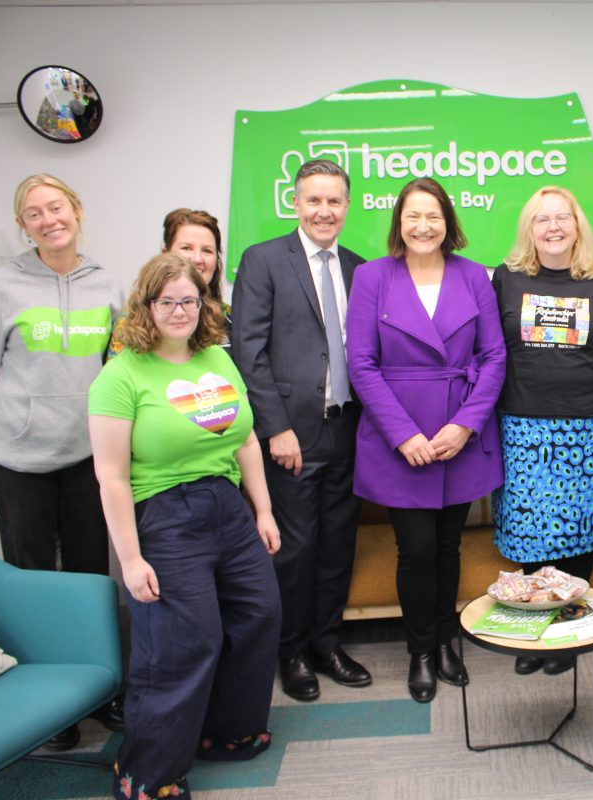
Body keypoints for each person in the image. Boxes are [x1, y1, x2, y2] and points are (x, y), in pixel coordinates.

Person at [89, 254, 280, 800]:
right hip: (164, 514)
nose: (180, 311)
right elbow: (112, 479)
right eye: (168, 301)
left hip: (226, 505)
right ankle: (146, 772)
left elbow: (244, 438)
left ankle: (224, 732)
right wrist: (130, 559)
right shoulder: (120, 375)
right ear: (146, 306)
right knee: (183, 643)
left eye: (190, 301)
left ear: (205, 304)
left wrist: (263, 510)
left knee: (258, 614)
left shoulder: (217, 359)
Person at [0, 173, 122, 749]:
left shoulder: (106, 284)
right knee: (29, 582)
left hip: (86, 456)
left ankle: (99, 691)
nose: (49, 219)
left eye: (56, 207)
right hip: (17, 461)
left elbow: (116, 366)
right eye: (34, 213)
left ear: (76, 210)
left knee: (87, 577)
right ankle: (51, 709)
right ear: (23, 225)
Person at [346, 177, 505, 703]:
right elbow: (361, 364)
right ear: (399, 222)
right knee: (414, 550)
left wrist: (465, 425)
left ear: (447, 222)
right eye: (413, 216)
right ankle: (419, 649)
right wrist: (403, 434)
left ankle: (445, 640)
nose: (423, 226)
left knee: (447, 545)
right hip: (403, 439)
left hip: (459, 432)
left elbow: (493, 358)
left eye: (432, 216)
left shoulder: (475, 275)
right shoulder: (372, 277)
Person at [231, 159, 370, 702]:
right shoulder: (264, 260)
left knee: (337, 545)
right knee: (294, 549)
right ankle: (290, 652)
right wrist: (276, 429)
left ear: (347, 205)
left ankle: (327, 645)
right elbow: (249, 352)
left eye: (334, 201)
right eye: (314, 200)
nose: (324, 211)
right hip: (292, 436)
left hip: (348, 430)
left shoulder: (360, 268)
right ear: (295, 202)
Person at [490, 186, 593, 677]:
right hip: (522, 424)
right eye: (542, 219)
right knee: (531, 533)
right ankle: (531, 629)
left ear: (577, 224)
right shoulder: (506, 278)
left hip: (583, 423)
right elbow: (493, 346)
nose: (553, 227)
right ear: (529, 228)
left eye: (562, 217)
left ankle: (565, 632)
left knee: (578, 531)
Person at [111, 208, 230, 355]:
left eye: (207, 251)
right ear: (165, 253)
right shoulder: (133, 319)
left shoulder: (229, 318)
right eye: (187, 248)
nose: (197, 259)